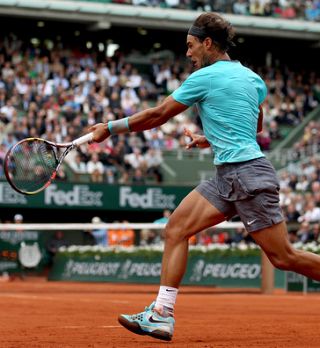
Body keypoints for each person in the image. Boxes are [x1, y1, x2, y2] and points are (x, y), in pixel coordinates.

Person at [89, 12, 320, 342]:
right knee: (176, 228)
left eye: (191, 45)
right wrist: (208, 138)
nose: (188, 53)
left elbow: (157, 115)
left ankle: (160, 313)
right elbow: (254, 128)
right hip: (229, 175)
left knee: (284, 257)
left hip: (248, 174)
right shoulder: (253, 79)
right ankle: (161, 315)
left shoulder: (204, 77)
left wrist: (109, 129)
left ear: (208, 43)